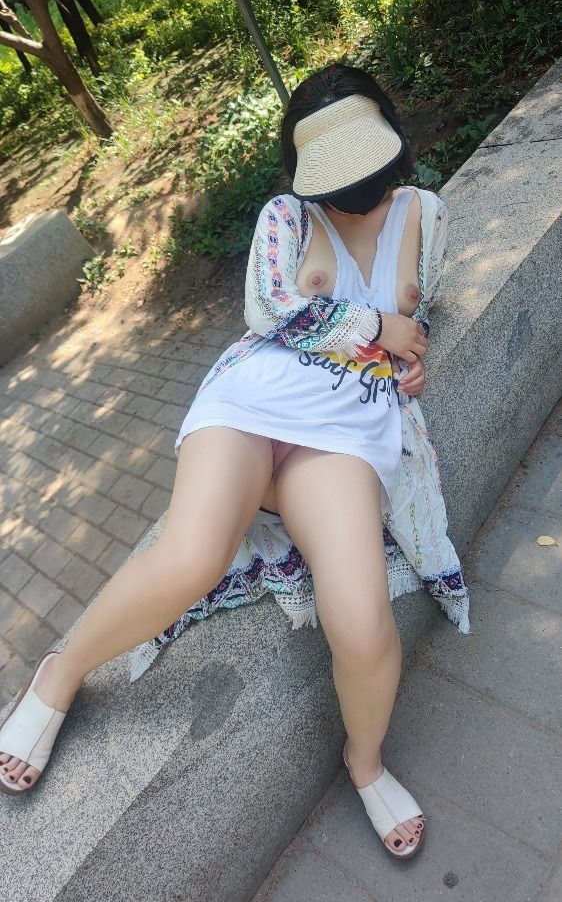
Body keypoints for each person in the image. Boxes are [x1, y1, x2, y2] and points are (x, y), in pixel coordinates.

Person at [0, 63, 470, 862]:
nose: (350, 190)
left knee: (361, 622)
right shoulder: (285, 215)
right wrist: (376, 329)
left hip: (344, 428)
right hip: (252, 400)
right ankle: (60, 673)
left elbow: (417, 320)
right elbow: (269, 310)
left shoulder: (428, 213)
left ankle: (363, 762)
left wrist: (409, 359)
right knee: (191, 555)